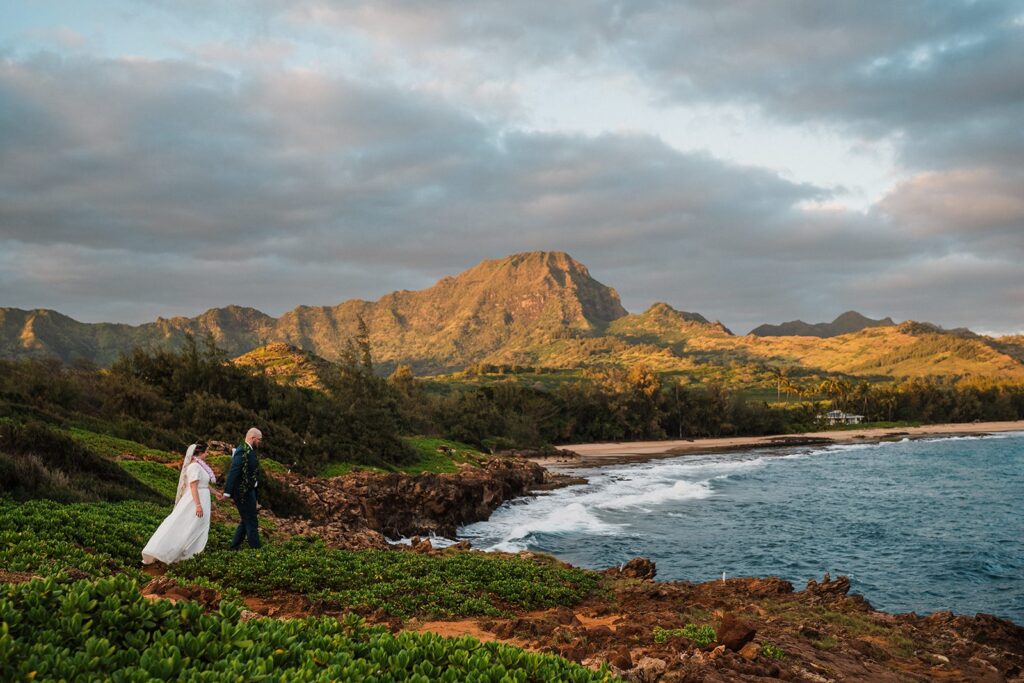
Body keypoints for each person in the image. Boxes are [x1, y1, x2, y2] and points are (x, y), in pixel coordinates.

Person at [142, 441, 223, 564]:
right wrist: (198, 505)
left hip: (203, 497)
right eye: (206, 452)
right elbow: (193, 487)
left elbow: (203, 484)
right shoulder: (194, 466)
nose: (207, 454)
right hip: (195, 500)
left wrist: (215, 492)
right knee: (189, 524)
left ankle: (193, 551)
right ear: (200, 452)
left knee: (199, 525)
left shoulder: (200, 465)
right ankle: (181, 552)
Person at [224, 427, 262, 550]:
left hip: (249, 492)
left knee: (246, 521)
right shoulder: (242, 451)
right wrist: (227, 492)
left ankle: (233, 547)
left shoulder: (248, 450)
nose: (260, 442)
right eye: (259, 439)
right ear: (252, 438)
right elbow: (234, 472)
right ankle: (257, 552)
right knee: (251, 522)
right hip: (243, 493)